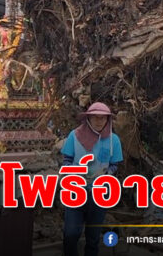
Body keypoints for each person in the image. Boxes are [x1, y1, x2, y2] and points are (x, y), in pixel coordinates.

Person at [61, 102, 123, 256]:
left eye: (103, 119)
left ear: (107, 120)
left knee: (93, 237)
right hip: (75, 191)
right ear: (88, 118)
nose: (99, 122)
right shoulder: (74, 136)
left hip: (99, 193)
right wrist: (75, 173)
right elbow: (67, 161)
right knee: (70, 234)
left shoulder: (113, 140)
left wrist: (107, 174)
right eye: (95, 118)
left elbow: (115, 164)